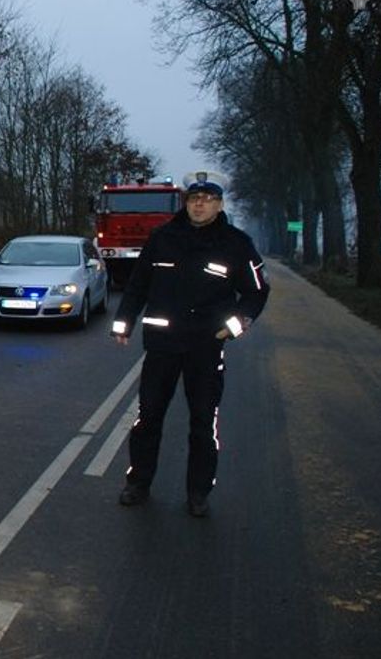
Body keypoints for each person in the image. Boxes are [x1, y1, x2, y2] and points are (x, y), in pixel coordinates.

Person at [110, 172, 269, 518]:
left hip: (205, 348)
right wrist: (123, 323)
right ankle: (138, 482)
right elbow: (138, 284)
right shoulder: (162, 238)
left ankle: (198, 492)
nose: (199, 204)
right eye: (194, 198)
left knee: (202, 422)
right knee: (147, 417)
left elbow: (257, 291)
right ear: (186, 202)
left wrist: (234, 326)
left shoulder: (236, 243)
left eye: (208, 198)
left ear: (219, 204)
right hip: (162, 346)